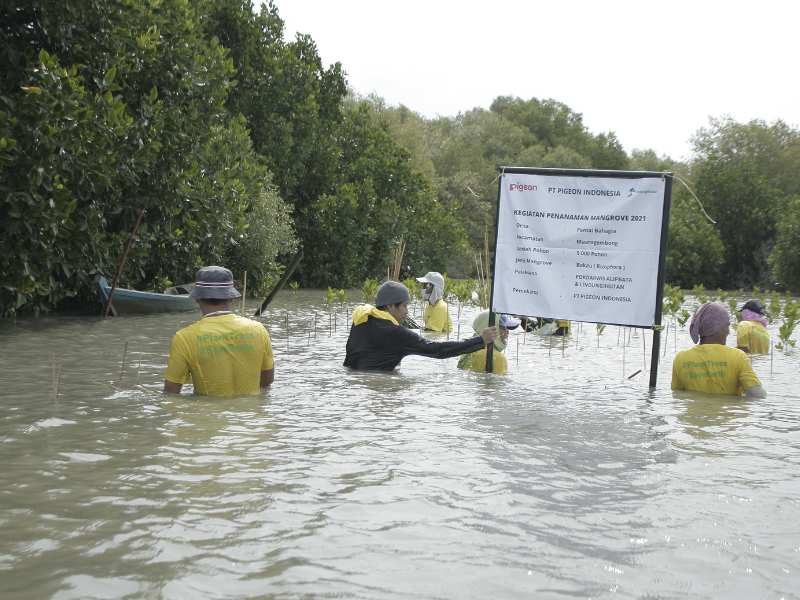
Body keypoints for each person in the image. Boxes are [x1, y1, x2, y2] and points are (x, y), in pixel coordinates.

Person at [164, 266, 274, 397]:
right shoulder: (259, 330)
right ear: (231, 297)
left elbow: (171, 394)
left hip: (207, 415)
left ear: (197, 298)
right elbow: (267, 382)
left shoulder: (184, 338)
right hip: (251, 415)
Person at [344, 280, 496, 370]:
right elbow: (438, 350)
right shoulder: (396, 333)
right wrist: (480, 340)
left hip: (355, 383)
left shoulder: (361, 319)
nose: (406, 311)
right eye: (404, 306)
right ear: (390, 306)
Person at [671, 302, 766, 398]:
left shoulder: (680, 359)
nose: (728, 332)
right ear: (720, 328)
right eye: (727, 326)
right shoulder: (739, 357)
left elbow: (677, 395)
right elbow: (758, 396)